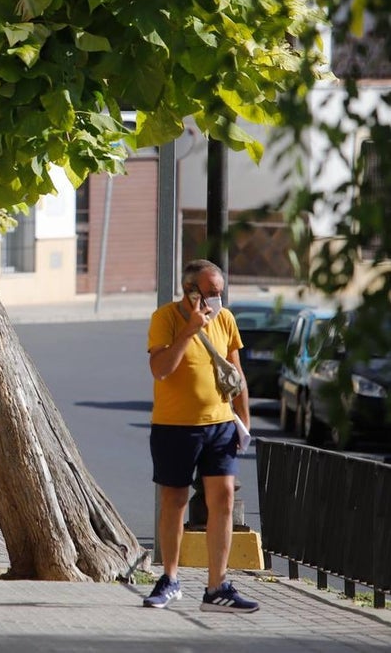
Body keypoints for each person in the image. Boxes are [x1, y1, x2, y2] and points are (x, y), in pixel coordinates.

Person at [143, 259, 258, 613]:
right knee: (174, 500)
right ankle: (170, 578)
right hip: (175, 426)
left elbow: (235, 373)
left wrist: (244, 421)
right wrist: (190, 330)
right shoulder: (166, 318)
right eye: (209, 293)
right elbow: (161, 369)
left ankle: (216, 586)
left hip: (220, 425)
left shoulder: (225, 320)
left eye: (219, 293)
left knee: (222, 497)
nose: (216, 300)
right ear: (189, 291)